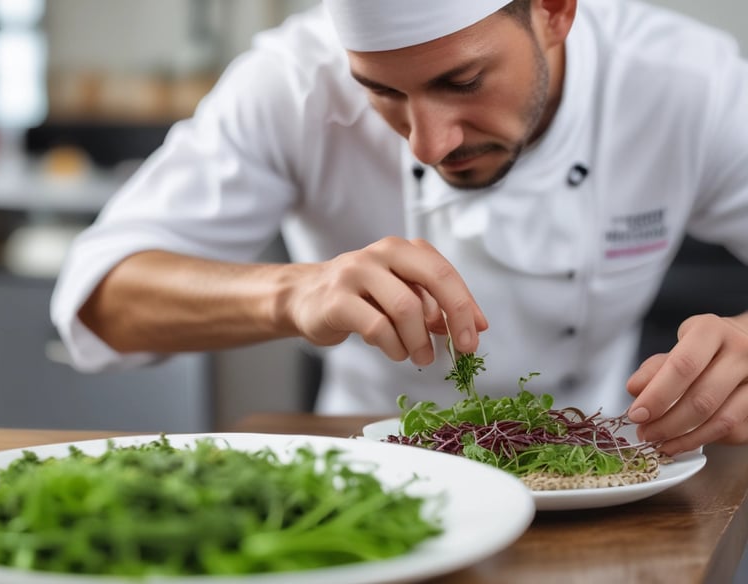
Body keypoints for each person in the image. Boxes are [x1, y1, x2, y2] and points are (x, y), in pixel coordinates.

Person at [51, 0, 748, 456]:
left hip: (603, 472)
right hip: (368, 474)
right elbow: (99, 304)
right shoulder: (291, 83)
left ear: (554, 12)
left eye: (464, 82)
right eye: (382, 93)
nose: (429, 144)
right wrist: (292, 294)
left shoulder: (685, 83)